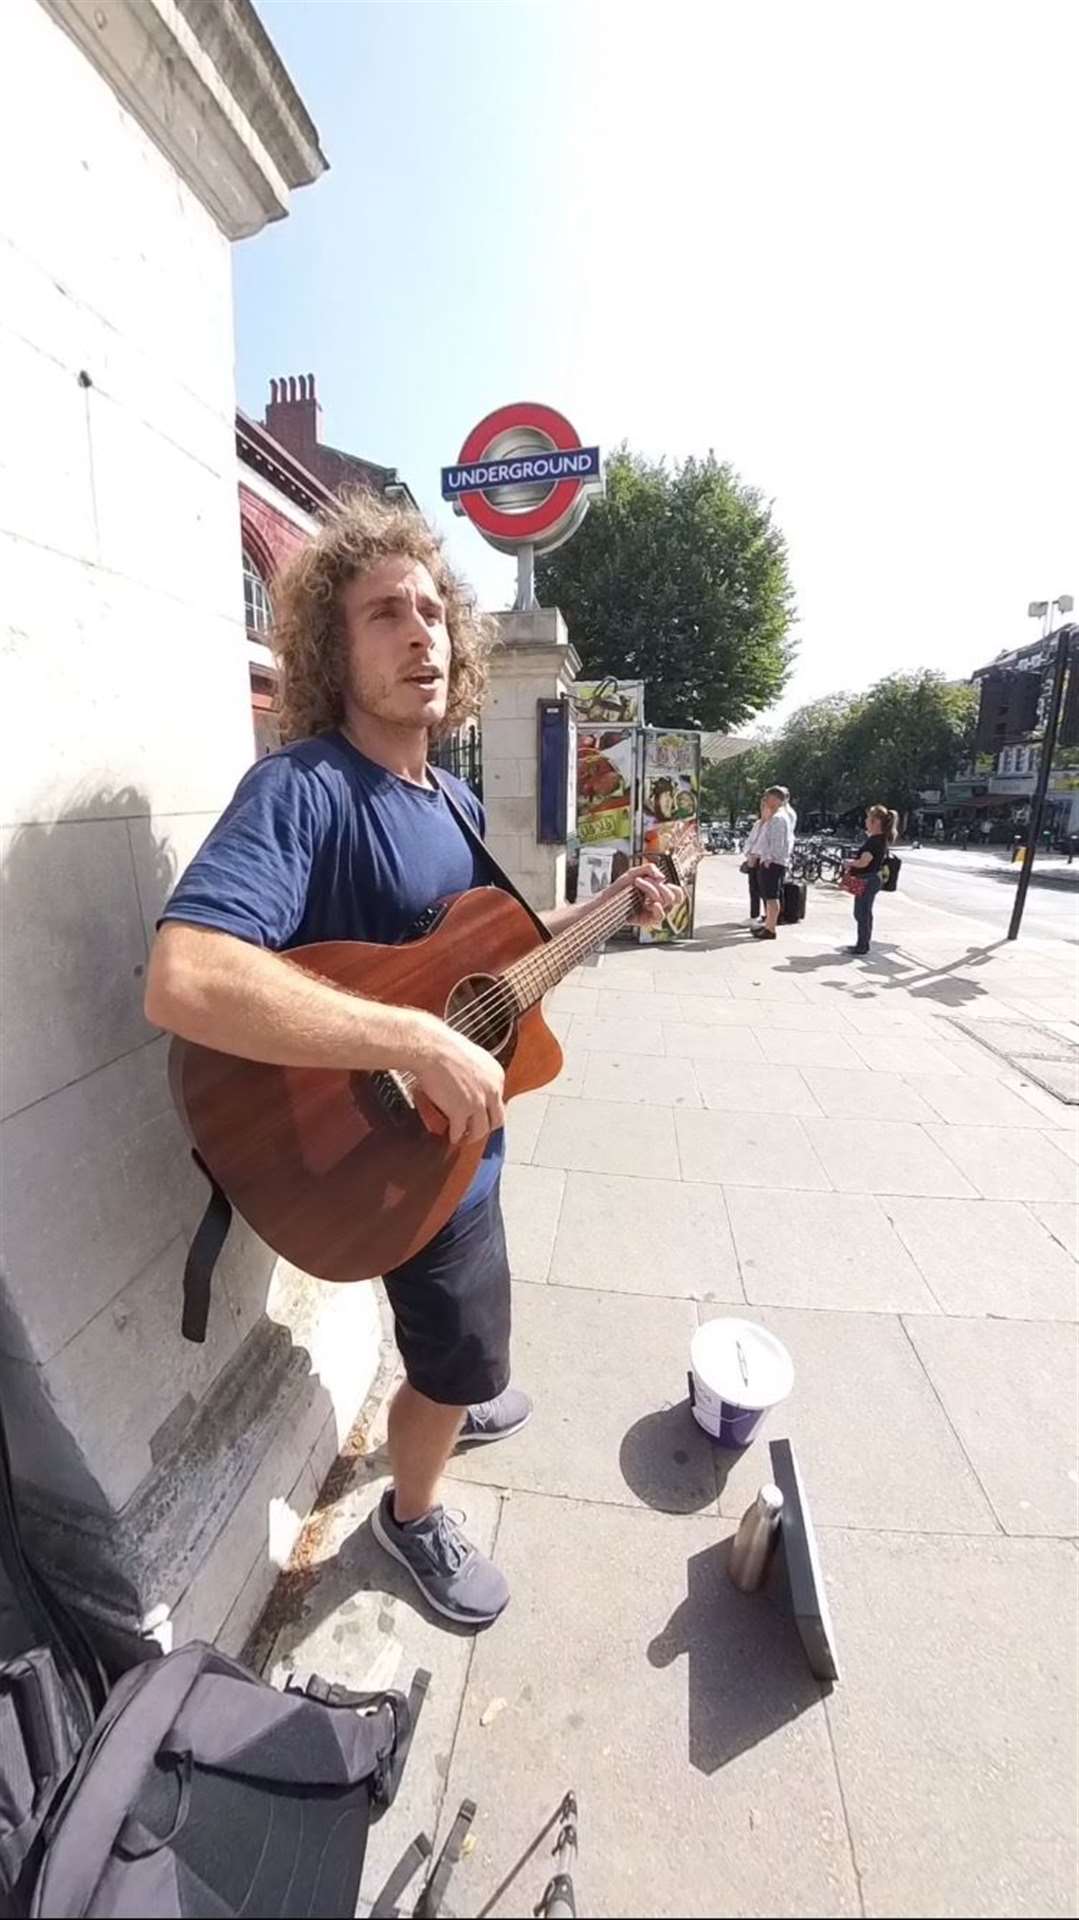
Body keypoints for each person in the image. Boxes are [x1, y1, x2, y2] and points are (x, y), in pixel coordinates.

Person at [144, 493, 679, 1629]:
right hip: (383, 1169)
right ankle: (413, 1510)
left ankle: (449, 1392)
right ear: (331, 651)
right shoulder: (302, 789)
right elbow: (183, 977)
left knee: (459, 1342)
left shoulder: (453, 796)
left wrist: (613, 907)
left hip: (457, 1154)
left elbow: (500, 977)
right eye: (384, 613)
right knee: (460, 1354)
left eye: (432, 611)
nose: (419, 633)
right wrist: (413, 1036)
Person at [842, 803, 898, 955]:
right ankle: (862, 943)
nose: (866, 821)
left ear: (876, 822)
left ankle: (862, 945)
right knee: (862, 912)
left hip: (867, 879)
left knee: (862, 913)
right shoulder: (879, 839)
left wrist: (849, 863)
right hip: (870, 878)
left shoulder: (874, 841)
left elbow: (864, 861)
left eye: (868, 818)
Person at [749, 786, 796, 940]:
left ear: (776, 799)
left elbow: (777, 843)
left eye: (768, 797)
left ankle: (770, 928)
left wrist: (769, 859)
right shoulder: (777, 816)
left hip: (773, 862)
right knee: (769, 895)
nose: (765, 801)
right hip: (772, 861)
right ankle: (768, 926)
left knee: (771, 896)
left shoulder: (778, 819)